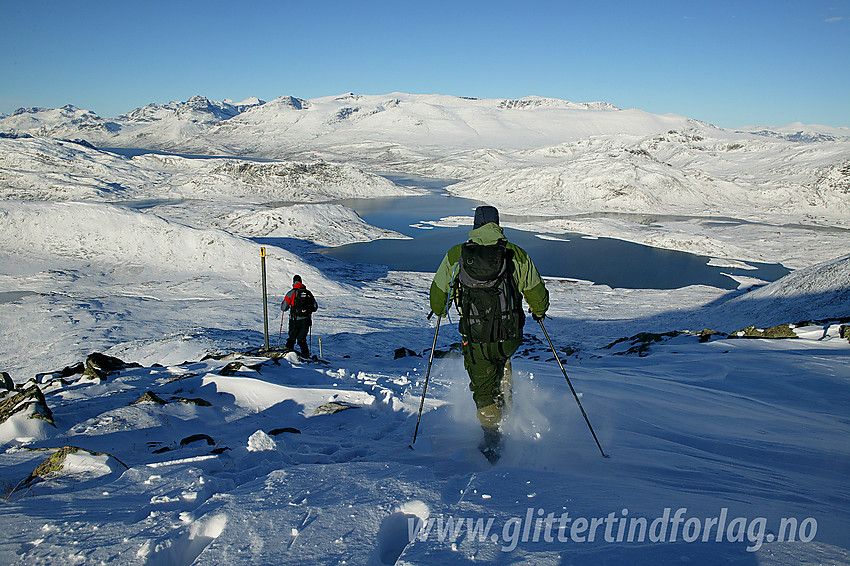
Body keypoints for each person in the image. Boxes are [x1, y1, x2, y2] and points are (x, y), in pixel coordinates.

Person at [429, 205, 549, 462]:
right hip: (509, 336)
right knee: (503, 365)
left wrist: (440, 310)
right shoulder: (515, 254)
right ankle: (506, 408)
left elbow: (439, 297)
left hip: (476, 338)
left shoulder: (457, 254)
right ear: (497, 224)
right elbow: (536, 291)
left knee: (483, 387)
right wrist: (539, 311)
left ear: (474, 225)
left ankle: (492, 438)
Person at [281, 275, 318, 358]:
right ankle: (306, 356)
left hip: (294, 320)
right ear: (301, 282)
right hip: (306, 320)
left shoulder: (291, 293)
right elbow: (315, 307)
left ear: (293, 282)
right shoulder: (308, 293)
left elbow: (284, 308)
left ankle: (287, 357)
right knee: (302, 339)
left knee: (292, 339)